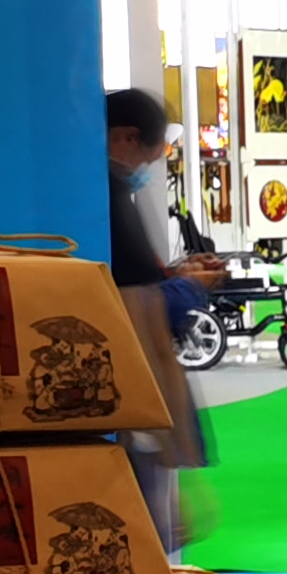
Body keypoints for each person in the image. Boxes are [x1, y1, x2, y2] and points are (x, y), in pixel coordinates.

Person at [105, 88, 214, 547]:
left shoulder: (107, 195)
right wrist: (189, 288)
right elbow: (136, 311)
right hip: (134, 407)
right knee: (148, 536)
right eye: (150, 156)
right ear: (127, 138)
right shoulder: (110, 199)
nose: (148, 169)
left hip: (135, 412)